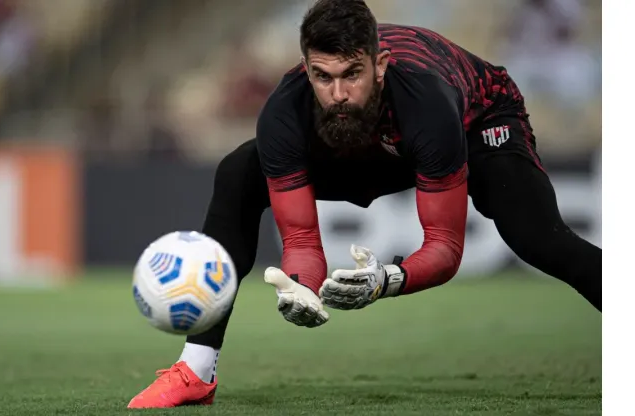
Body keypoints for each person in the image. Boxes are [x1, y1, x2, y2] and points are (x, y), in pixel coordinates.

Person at [127, 0, 602, 409]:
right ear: (307, 69)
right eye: (322, 77)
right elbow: (301, 241)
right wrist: (300, 288)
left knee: (539, 238)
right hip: (373, 146)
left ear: (380, 64)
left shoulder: (428, 103)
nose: (338, 95)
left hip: (475, 122)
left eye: (352, 74)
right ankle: (196, 370)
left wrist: (387, 280)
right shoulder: (285, 112)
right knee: (238, 171)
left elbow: (445, 246)